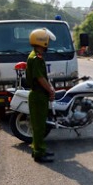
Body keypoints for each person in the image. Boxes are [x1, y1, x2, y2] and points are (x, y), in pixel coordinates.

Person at [26, 28, 56, 163]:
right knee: (39, 126)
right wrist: (50, 90)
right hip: (38, 96)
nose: (48, 43)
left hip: (38, 95)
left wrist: (49, 89)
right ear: (42, 41)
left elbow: (42, 77)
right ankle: (39, 153)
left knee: (39, 125)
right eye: (47, 40)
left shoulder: (35, 55)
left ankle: (38, 149)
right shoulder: (36, 58)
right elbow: (40, 78)